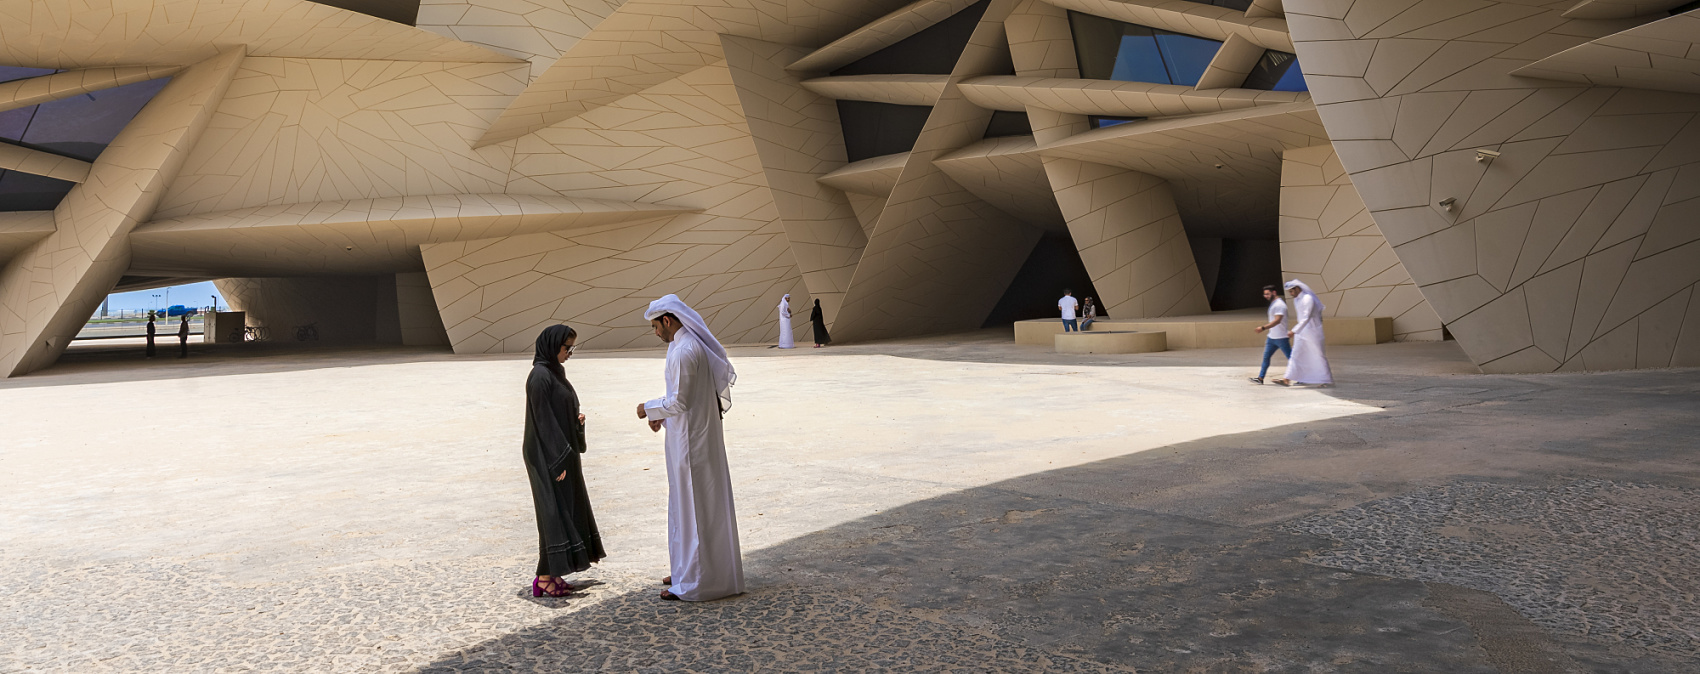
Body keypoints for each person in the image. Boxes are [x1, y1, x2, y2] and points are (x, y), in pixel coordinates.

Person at [636, 294, 745, 601]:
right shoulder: (681, 347)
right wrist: (662, 418)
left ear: (667, 321)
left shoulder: (684, 350)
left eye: (656, 327)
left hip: (692, 444)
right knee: (686, 505)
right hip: (687, 435)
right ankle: (687, 567)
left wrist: (648, 408)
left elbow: (680, 401)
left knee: (695, 506)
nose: (656, 333)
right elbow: (687, 397)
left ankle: (696, 582)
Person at [523, 325, 605, 598]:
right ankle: (544, 577)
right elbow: (543, 423)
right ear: (551, 346)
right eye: (566, 348)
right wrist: (558, 463)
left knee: (565, 509)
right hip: (546, 456)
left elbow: (559, 411)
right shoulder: (539, 377)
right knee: (552, 514)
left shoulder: (555, 373)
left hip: (562, 452)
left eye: (572, 348)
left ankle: (553, 573)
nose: (570, 353)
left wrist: (575, 423)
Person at [1273, 280, 1334, 387]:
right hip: (1301, 332)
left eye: (1292, 291)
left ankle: (1327, 381)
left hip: (1313, 331)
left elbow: (1306, 317)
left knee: (1319, 355)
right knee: (1296, 355)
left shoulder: (1308, 299)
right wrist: (1296, 331)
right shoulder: (1297, 300)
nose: (1291, 294)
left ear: (1297, 288)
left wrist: (1293, 331)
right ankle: (1287, 379)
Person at [1249, 285, 1290, 385]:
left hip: (1281, 337)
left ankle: (1301, 378)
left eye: (1267, 294)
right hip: (1272, 337)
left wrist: (1263, 328)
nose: (1265, 296)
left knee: (1291, 359)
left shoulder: (1279, 305)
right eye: (1264, 294)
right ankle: (1260, 378)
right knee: (1266, 357)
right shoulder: (1273, 303)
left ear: (1274, 292)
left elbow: (1277, 321)